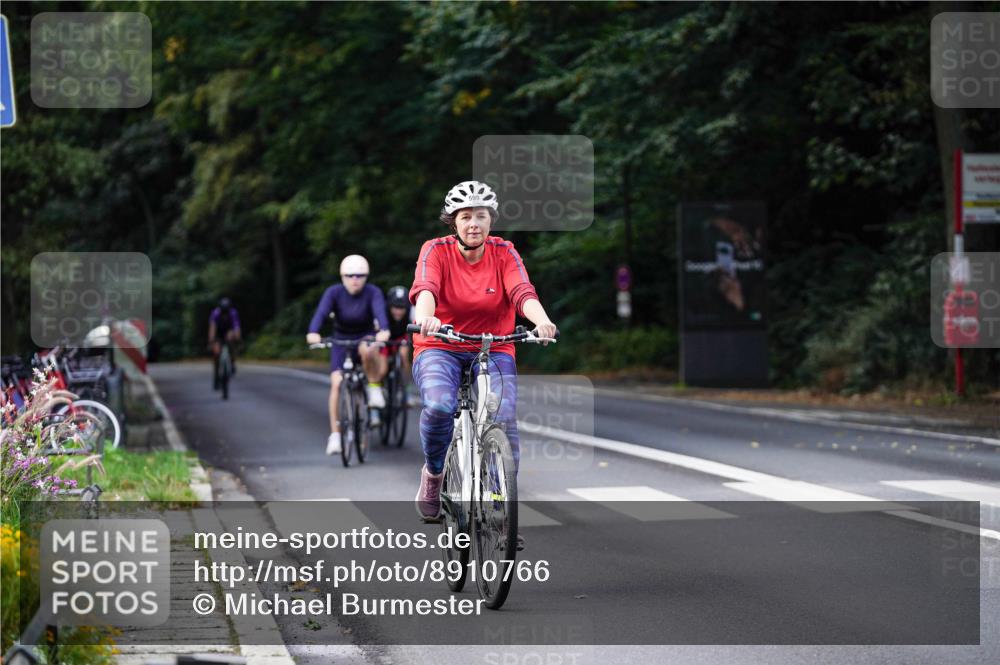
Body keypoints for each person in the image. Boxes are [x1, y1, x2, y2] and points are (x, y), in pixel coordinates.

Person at [409, 180, 557, 546]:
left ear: (491, 221)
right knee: (440, 405)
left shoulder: (505, 252)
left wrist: (540, 320)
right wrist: (427, 316)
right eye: (465, 216)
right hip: (440, 344)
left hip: (494, 346)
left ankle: (500, 507)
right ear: (453, 222)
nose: (473, 223)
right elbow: (425, 288)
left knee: (503, 419)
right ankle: (434, 474)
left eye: (481, 216)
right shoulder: (436, 250)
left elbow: (522, 292)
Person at [306, 255, 390, 455]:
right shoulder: (333, 292)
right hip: (341, 341)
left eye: (360, 276)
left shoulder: (373, 292)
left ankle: (373, 387)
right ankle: (335, 435)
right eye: (350, 276)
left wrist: (382, 333)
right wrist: (313, 333)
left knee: (367, 348)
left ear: (366, 276)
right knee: (336, 383)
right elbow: (320, 315)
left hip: (365, 337)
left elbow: (382, 320)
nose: (355, 280)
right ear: (343, 277)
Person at [208, 297, 242, 389]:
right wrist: (212, 340)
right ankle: (216, 378)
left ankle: (232, 362)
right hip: (218, 333)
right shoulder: (216, 313)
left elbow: (236, 327)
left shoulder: (233, 313)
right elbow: (212, 327)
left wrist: (237, 337)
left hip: (228, 331)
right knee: (216, 354)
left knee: (231, 342)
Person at [382, 285, 413, 377]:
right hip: (386, 338)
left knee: (404, 355)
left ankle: (406, 382)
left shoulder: (412, 311)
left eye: (402, 308)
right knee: (382, 360)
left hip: (402, 336)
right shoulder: (382, 312)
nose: (398, 311)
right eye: (395, 307)